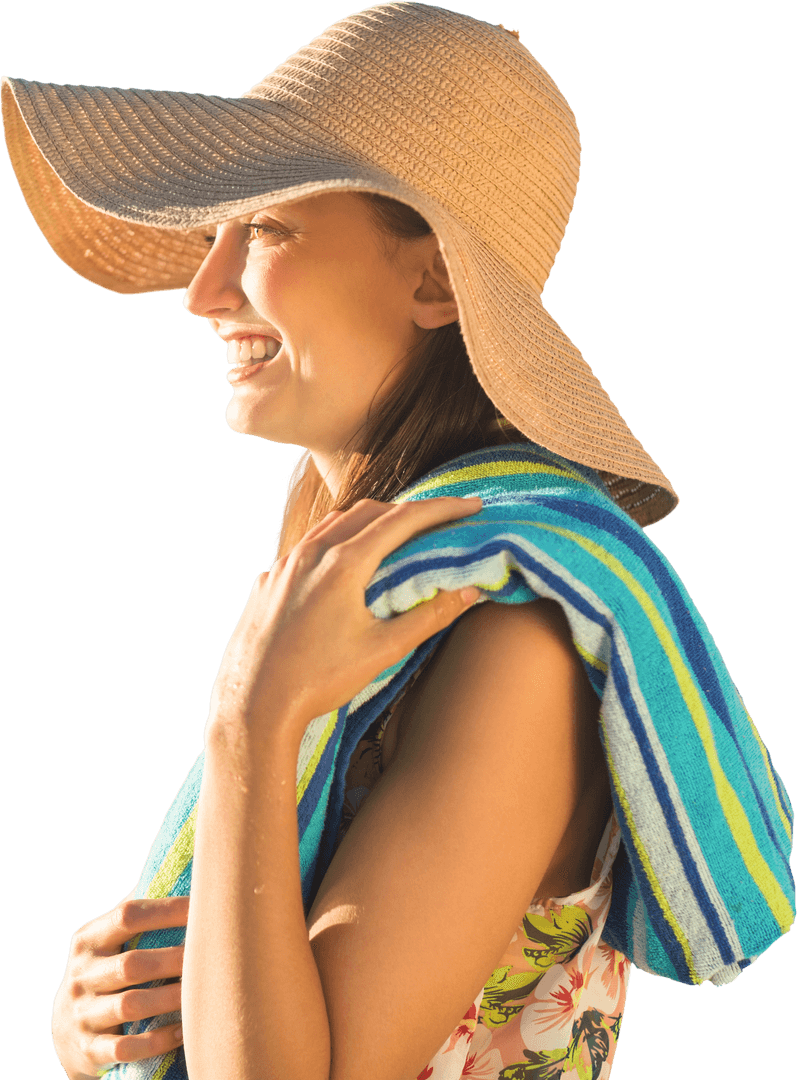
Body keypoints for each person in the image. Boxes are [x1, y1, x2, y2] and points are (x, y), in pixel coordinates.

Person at [2, 4, 792, 1080]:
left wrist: (248, 723)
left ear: (431, 281)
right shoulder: (362, 606)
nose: (202, 288)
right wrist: (98, 1022)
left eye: (267, 229)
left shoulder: (513, 645)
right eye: (214, 231)